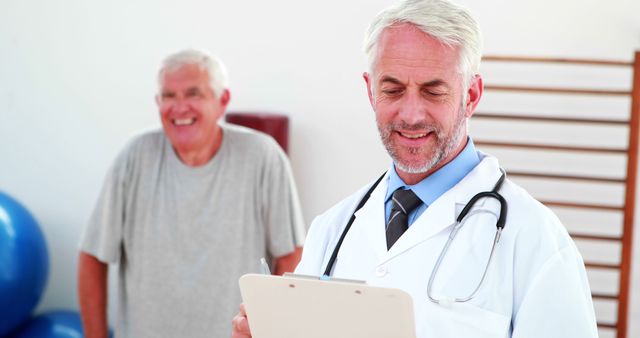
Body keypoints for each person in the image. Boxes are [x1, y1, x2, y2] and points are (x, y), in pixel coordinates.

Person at [231, 0, 598, 337]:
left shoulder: (535, 239)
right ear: (371, 92)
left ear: (471, 96)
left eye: (433, 91)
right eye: (392, 90)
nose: (410, 114)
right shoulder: (332, 230)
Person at [78, 49, 306, 338]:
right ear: (158, 102)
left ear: (222, 101)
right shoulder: (135, 156)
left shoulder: (263, 157)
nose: (180, 107)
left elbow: (290, 258)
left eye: (193, 94)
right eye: (169, 96)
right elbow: (92, 256)